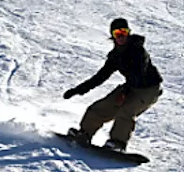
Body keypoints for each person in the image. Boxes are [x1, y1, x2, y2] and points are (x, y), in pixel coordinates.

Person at [63, 18, 163, 152]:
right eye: (117, 33)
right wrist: (78, 90)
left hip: (148, 89)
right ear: (112, 35)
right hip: (130, 86)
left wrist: (125, 92)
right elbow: (100, 76)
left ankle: (118, 143)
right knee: (100, 107)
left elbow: (139, 73)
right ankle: (85, 133)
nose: (121, 36)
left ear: (128, 33)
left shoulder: (138, 51)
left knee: (125, 110)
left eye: (124, 32)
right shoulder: (115, 56)